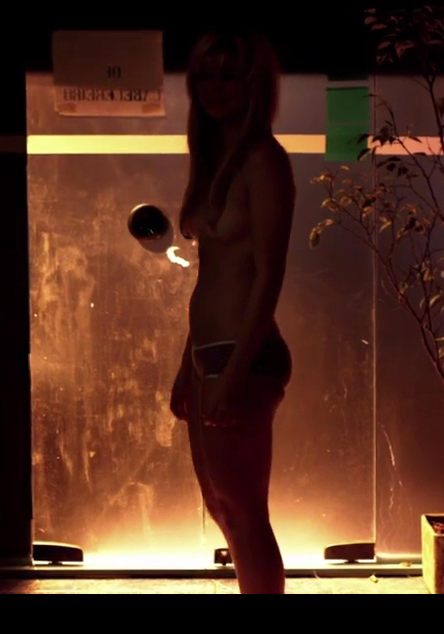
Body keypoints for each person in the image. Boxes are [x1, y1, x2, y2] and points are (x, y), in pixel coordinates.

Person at [169, 30, 294, 595]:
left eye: (228, 75)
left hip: (244, 354)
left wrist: (235, 372)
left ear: (253, 83)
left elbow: (268, 277)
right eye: (204, 75)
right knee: (224, 508)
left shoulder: (263, 160)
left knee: (244, 513)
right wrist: (187, 366)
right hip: (210, 355)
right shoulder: (214, 161)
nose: (214, 88)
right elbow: (211, 278)